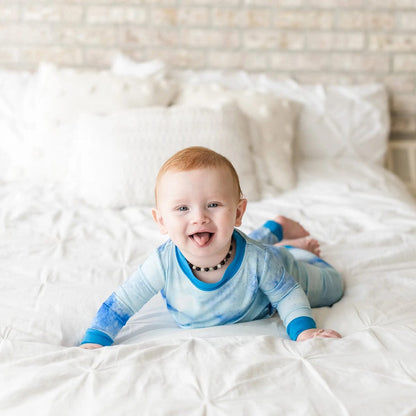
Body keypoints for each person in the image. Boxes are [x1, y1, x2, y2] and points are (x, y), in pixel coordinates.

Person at [80, 146, 343, 349]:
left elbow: (287, 295)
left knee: (334, 286)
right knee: (229, 240)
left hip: (281, 267)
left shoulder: (259, 260)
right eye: (182, 208)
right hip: (248, 250)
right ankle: (275, 229)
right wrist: (95, 340)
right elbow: (121, 303)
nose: (199, 217)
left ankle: (292, 247)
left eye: (213, 205)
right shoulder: (162, 263)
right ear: (161, 221)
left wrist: (304, 331)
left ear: (238, 212)